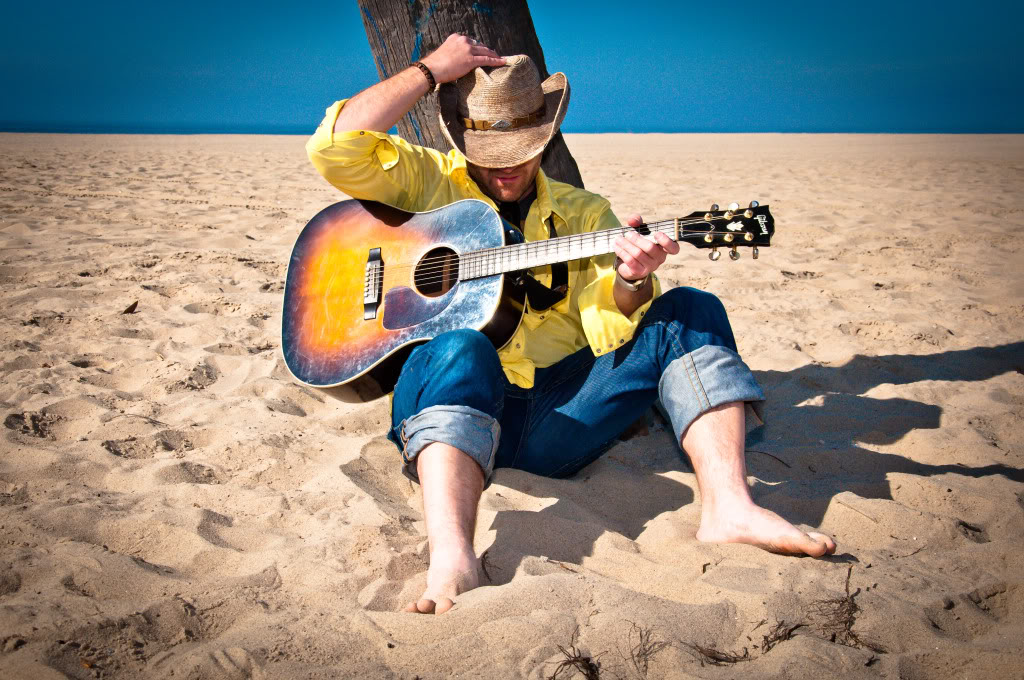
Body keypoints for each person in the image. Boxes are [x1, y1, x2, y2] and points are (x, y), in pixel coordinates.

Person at [305, 34, 836, 615]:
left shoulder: (585, 216)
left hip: (552, 420)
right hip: (446, 413)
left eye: (524, 149)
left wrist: (631, 282)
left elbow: (606, 330)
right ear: (464, 135)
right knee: (461, 346)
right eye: (493, 151)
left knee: (691, 310)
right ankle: (454, 556)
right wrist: (430, 70)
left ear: (546, 135)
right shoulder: (429, 182)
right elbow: (334, 146)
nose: (508, 167)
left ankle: (730, 508)